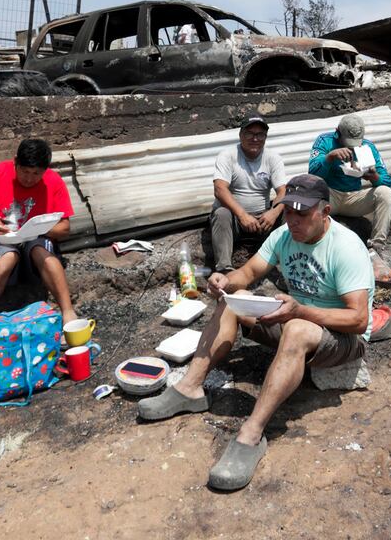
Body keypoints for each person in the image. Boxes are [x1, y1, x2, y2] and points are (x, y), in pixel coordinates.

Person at [137, 174, 373, 491]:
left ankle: (252, 433)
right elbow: (248, 272)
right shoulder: (284, 235)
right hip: (294, 318)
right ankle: (190, 389)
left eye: (303, 214)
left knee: (298, 329)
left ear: (325, 212)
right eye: (288, 211)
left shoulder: (345, 247)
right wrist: (225, 281)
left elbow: (358, 320)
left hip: (341, 337)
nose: (293, 220)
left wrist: (301, 312)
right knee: (234, 301)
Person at [0, 139, 79, 330]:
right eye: (25, 171)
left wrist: (39, 228)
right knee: (8, 257)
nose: (29, 179)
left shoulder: (53, 182)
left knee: (42, 251)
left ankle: (68, 313)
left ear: (45, 170)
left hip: (33, 246)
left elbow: (64, 228)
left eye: (36, 174)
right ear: (15, 162)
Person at [209, 115, 288, 273]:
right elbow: (220, 189)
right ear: (241, 135)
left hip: (262, 221)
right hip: (235, 221)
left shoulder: (273, 158)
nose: (255, 139)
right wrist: (242, 215)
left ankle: (286, 264)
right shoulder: (228, 155)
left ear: (265, 137)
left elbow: (283, 191)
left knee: (289, 210)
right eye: (250, 133)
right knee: (221, 213)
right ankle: (224, 269)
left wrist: (273, 212)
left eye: (260, 134)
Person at [308, 114, 391, 254]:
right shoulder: (325, 141)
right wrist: (329, 157)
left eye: (356, 143)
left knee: (385, 192)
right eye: (348, 143)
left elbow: (387, 181)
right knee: (308, 194)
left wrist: (374, 177)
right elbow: (312, 174)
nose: (352, 147)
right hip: (330, 196)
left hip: (354, 198)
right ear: (337, 133)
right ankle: (308, 243)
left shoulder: (368, 147)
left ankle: (377, 246)